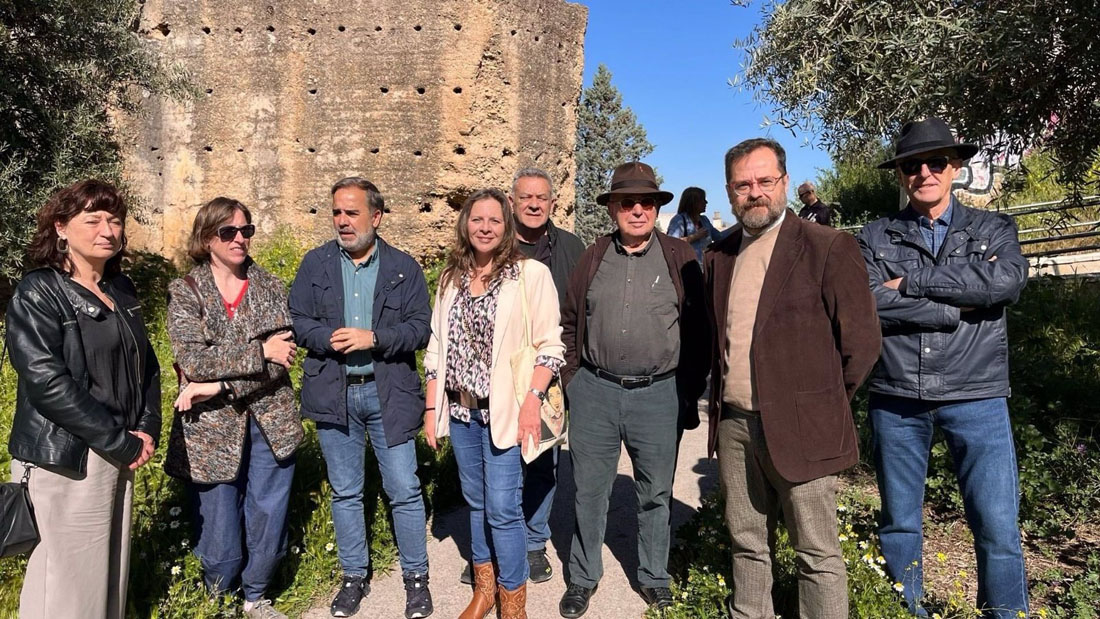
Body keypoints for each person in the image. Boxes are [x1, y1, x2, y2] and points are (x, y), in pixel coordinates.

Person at [856, 117, 1030, 618]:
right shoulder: (873, 237)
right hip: (897, 398)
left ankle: (1004, 613)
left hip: (977, 395)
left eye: (936, 162)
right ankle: (904, 612)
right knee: (899, 522)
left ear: (955, 167)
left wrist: (908, 284)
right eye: (912, 165)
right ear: (900, 175)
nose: (924, 173)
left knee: (996, 523)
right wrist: (954, 307)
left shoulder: (993, 227)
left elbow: (1004, 284)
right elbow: (865, 303)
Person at [704, 139, 881, 619]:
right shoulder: (719, 256)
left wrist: (818, 404)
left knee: (817, 553)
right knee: (746, 543)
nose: (754, 193)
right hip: (737, 425)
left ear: (784, 182)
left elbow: (861, 345)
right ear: (729, 190)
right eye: (743, 184)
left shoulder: (827, 246)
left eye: (764, 181)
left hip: (805, 427)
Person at [558, 162, 709, 618]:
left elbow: (700, 330)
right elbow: (568, 321)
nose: (638, 210)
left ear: (658, 208)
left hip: (658, 394)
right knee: (588, 492)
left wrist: (687, 392)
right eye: (628, 202)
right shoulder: (594, 255)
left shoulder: (681, 256)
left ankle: (654, 578)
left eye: (647, 202)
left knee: (655, 493)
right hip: (595, 392)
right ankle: (583, 578)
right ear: (613, 209)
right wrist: (573, 381)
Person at [6, 179, 160, 619]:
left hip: (119, 450)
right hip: (68, 457)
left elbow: (145, 365)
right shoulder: (39, 292)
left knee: (107, 577)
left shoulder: (121, 291)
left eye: (114, 220)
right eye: (92, 220)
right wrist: (119, 439)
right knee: (66, 584)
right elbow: (47, 383)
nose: (106, 230)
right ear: (61, 227)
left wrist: (147, 428)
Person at [289, 177, 433, 619]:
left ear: (377, 216)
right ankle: (354, 576)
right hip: (335, 393)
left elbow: (419, 328)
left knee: (404, 489)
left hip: (388, 392)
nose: (342, 221)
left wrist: (375, 337)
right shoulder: (315, 265)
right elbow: (297, 318)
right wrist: (328, 339)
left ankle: (416, 578)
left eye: (352, 213)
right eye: (337, 212)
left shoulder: (403, 268)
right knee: (346, 492)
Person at [423, 188, 565, 619]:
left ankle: (513, 602)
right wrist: (432, 410)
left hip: (505, 410)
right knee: (476, 500)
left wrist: (531, 401)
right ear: (465, 224)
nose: (485, 228)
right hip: (463, 412)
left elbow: (550, 345)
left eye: (494, 221)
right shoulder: (451, 279)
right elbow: (435, 348)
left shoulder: (530, 274)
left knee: (503, 507)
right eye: (477, 219)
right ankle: (484, 589)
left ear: (506, 228)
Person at [165, 197, 303, 619]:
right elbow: (192, 360)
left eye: (246, 230)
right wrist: (259, 350)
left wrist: (215, 385)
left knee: (268, 510)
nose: (240, 239)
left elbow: (285, 358)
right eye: (229, 232)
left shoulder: (271, 286)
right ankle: (219, 597)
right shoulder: (186, 293)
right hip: (209, 428)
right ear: (208, 239)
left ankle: (256, 595)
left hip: (271, 419)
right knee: (218, 515)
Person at [667, 186, 723, 261]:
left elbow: (720, 237)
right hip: (687, 268)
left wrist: (739, 227)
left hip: (705, 268)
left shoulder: (705, 220)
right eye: (703, 199)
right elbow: (671, 244)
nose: (706, 202)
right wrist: (694, 237)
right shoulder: (679, 220)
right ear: (693, 202)